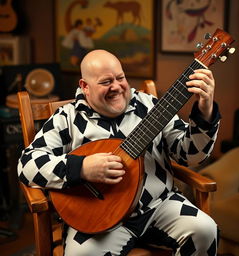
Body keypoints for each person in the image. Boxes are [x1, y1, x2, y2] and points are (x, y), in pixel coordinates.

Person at [18, 49, 221, 256]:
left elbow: (191, 156)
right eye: (106, 82)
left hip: (159, 206)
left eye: (120, 78)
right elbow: (27, 165)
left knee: (205, 230)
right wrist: (82, 168)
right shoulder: (66, 118)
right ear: (84, 86)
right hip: (98, 218)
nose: (116, 86)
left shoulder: (151, 106)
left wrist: (205, 112)